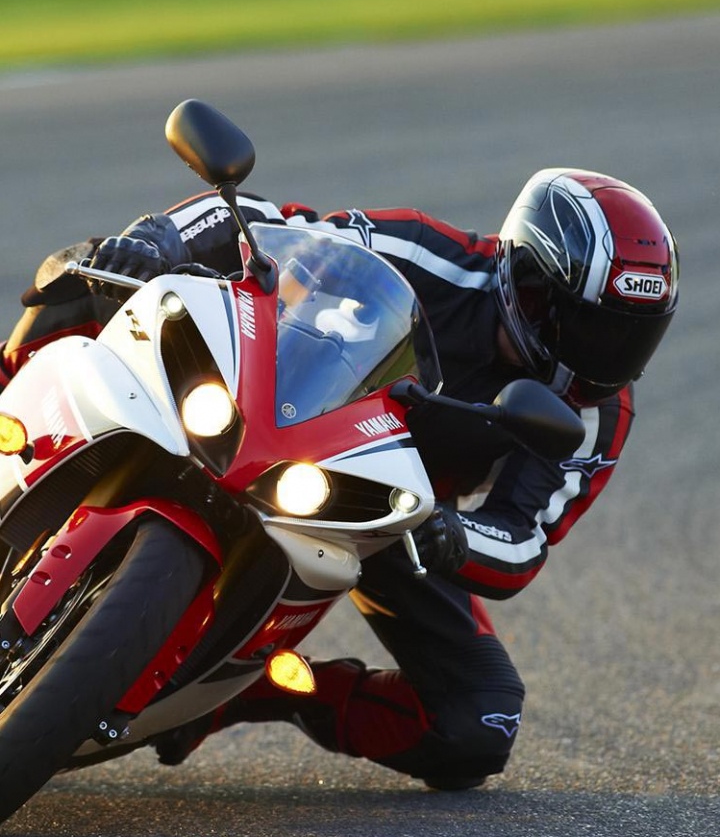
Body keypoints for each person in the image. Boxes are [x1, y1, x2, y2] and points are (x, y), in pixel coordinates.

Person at [0, 168, 679, 790]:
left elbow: (523, 539)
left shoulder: (592, 415)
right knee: (88, 267)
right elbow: (273, 224)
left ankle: (241, 690)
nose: (604, 356)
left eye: (630, 337)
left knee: (480, 722)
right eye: (588, 326)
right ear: (528, 282)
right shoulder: (428, 252)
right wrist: (157, 240)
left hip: (393, 514)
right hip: (272, 402)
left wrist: (452, 534)